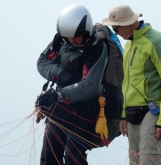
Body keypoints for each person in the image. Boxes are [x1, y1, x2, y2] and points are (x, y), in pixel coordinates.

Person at [36, 4, 123, 165]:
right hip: (61, 107)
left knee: (73, 157)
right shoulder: (61, 39)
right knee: (49, 154)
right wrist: (60, 74)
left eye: (75, 36)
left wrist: (58, 95)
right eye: (67, 36)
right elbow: (42, 61)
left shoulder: (97, 46)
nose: (71, 40)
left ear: (86, 31)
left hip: (86, 110)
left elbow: (91, 85)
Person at [102, 5, 161, 165]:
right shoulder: (128, 44)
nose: (115, 33)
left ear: (127, 24)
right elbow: (126, 83)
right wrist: (123, 115)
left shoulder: (157, 41)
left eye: (116, 28)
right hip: (131, 113)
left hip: (152, 112)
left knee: (149, 160)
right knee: (134, 161)